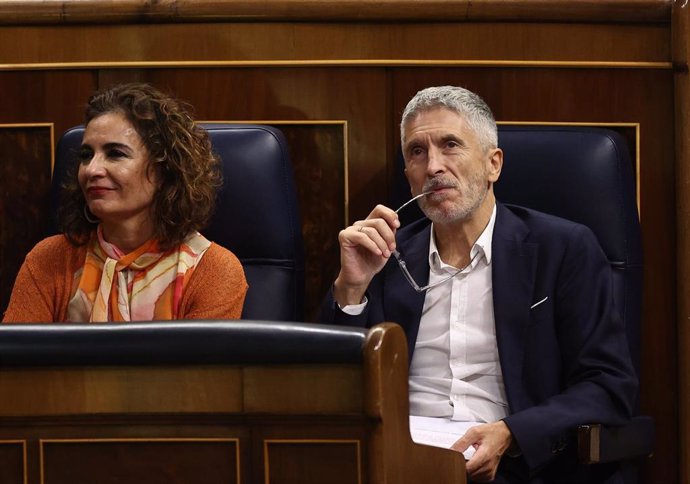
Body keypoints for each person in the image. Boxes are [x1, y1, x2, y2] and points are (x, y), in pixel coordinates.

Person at [319, 86, 637, 483]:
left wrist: (512, 433)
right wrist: (351, 288)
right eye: (417, 152)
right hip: (398, 464)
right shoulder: (383, 256)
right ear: (408, 176)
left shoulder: (563, 248)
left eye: (450, 145)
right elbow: (330, 387)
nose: (433, 166)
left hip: (513, 466)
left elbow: (609, 385)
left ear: (493, 164)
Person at [3, 83, 247, 322]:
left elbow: (202, 363)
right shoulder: (49, 259)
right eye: (86, 156)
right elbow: (16, 361)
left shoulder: (214, 270)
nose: (91, 170)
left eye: (115, 154)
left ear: (163, 169)